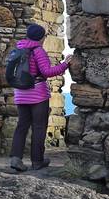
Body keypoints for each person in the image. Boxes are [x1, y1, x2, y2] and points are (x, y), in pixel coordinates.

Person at [9, 23, 70, 172]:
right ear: (42, 37)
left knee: (21, 126)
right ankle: (37, 161)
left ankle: (15, 159)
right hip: (37, 95)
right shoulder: (38, 50)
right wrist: (65, 65)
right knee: (39, 127)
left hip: (20, 93)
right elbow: (47, 72)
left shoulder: (18, 48)